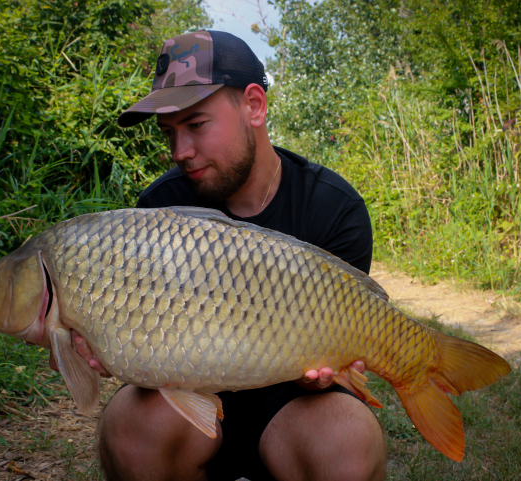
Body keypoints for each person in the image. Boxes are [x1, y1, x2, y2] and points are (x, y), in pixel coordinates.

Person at [54, 30, 387, 481]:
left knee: (348, 442)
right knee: (128, 428)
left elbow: (339, 352)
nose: (180, 153)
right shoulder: (157, 211)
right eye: (168, 133)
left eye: (196, 126)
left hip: (292, 403)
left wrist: (332, 367)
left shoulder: (333, 209)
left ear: (254, 105)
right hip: (187, 401)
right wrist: (107, 349)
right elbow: (144, 347)